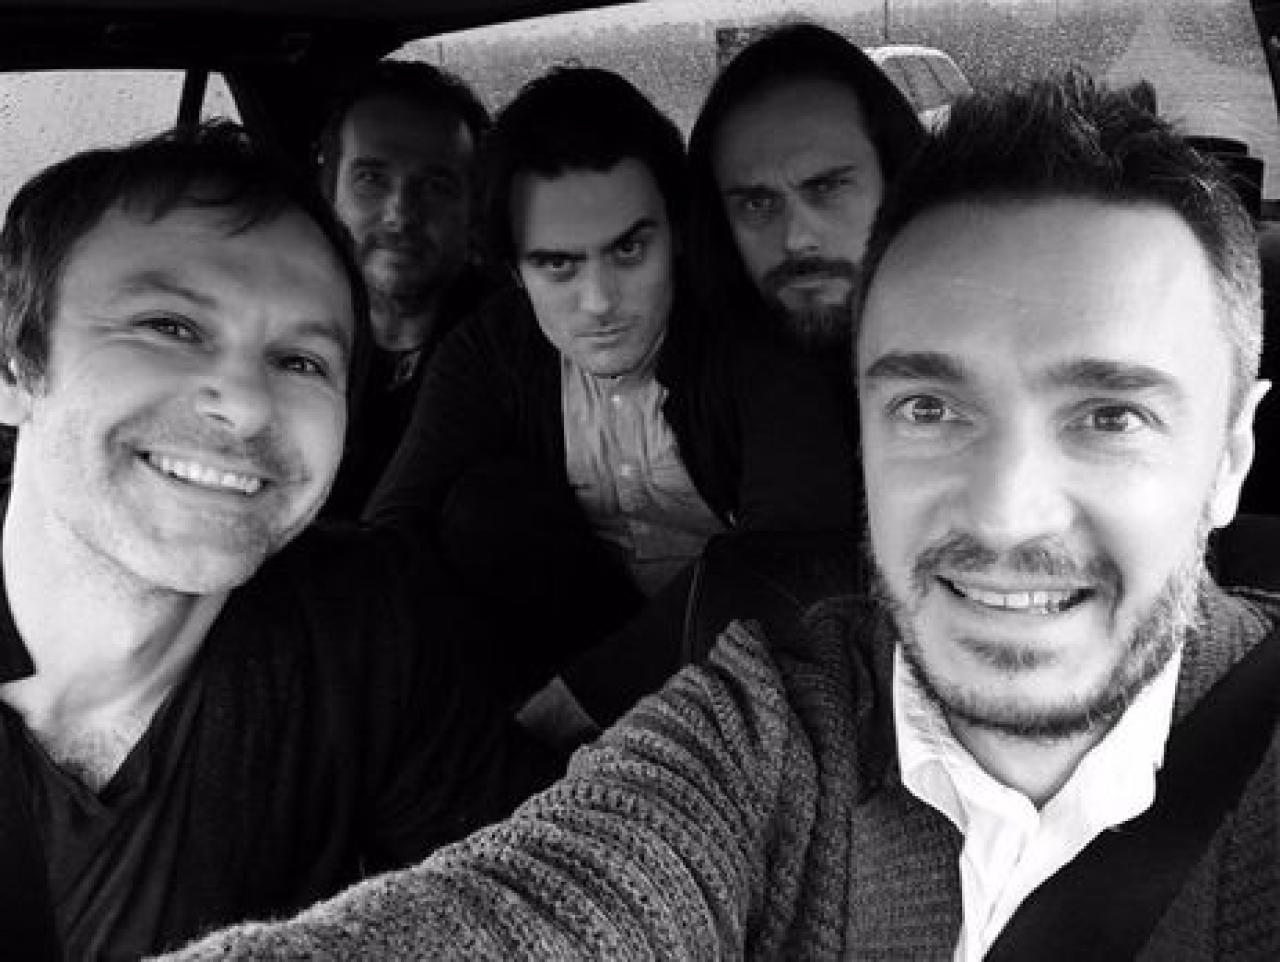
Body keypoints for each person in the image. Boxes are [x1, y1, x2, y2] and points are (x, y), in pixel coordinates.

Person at [161, 73, 1280, 960]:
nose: (1004, 511)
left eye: (1110, 416)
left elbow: (781, 550)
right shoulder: (757, 732)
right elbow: (541, 893)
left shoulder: (743, 368)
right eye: (929, 408)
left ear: (1231, 454)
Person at [0, 122, 557, 961]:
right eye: (169, 326)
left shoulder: (365, 625)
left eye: (301, 362)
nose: (248, 405)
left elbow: (532, 894)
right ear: (14, 368)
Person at [368, 66, 854, 728]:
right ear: (514, 271)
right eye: (557, 265)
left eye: (629, 249)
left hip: (758, 685)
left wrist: (577, 704)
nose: (598, 302)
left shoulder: (751, 338)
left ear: (676, 234)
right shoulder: (491, 352)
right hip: (560, 657)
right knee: (484, 508)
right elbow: (394, 537)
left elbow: (794, 553)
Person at [688, 22, 924, 428]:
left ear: (895, 180)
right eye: (758, 203)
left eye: (826, 187)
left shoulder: (988, 343)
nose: (796, 240)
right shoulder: (702, 389)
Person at [316, 60, 496, 518]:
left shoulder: (509, 353)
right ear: (330, 194)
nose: (400, 213)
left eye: (435, 185)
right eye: (372, 179)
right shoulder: (284, 332)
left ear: (474, 210)